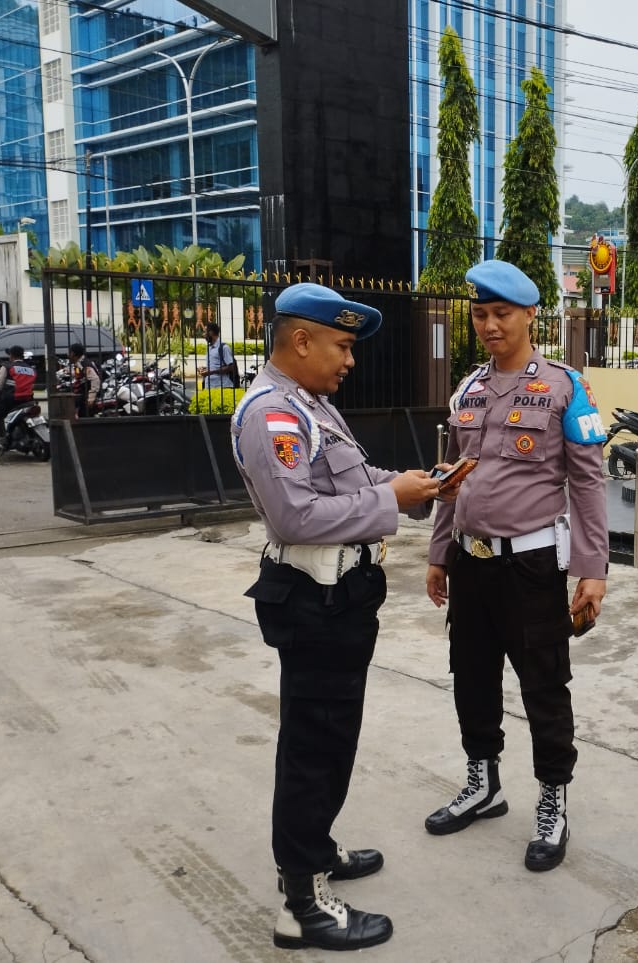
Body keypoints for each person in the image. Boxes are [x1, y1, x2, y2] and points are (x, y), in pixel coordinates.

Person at [230, 283, 448, 951]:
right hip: (314, 600)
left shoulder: (310, 404)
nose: (350, 360)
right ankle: (302, 904)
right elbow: (295, 515)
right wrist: (391, 499)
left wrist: (412, 487)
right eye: (343, 346)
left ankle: (316, 849)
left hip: (341, 598)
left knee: (330, 738)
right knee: (313, 748)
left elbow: (349, 479)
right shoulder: (273, 415)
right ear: (301, 341)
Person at [424, 259, 608, 873]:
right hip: (471, 564)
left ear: (530, 314)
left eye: (501, 313)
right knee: (471, 678)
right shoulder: (469, 389)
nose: (489, 325)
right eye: (479, 314)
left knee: (544, 687)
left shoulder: (565, 388)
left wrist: (592, 569)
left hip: (530, 567)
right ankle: (483, 783)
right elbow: (452, 480)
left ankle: (553, 801)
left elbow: (588, 485)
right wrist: (439, 554)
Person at [0, 344, 35, 457]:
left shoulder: (7, 367)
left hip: (10, 400)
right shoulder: (31, 369)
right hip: (28, 400)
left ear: (11, 355)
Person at [199, 321, 237, 389]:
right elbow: (215, 365)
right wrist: (205, 369)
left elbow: (231, 367)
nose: (203, 335)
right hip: (210, 386)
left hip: (222, 387)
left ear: (211, 333)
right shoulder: (209, 348)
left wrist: (211, 372)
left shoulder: (224, 348)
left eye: (205, 332)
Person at [69, 343, 101, 419]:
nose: (68, 355)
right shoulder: (80, 363)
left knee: (84, 415)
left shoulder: (83, 364)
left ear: (73, 354)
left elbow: (95, 379)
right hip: (85, 392)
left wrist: (91, 397)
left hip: (87, 394)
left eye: (70, 352)